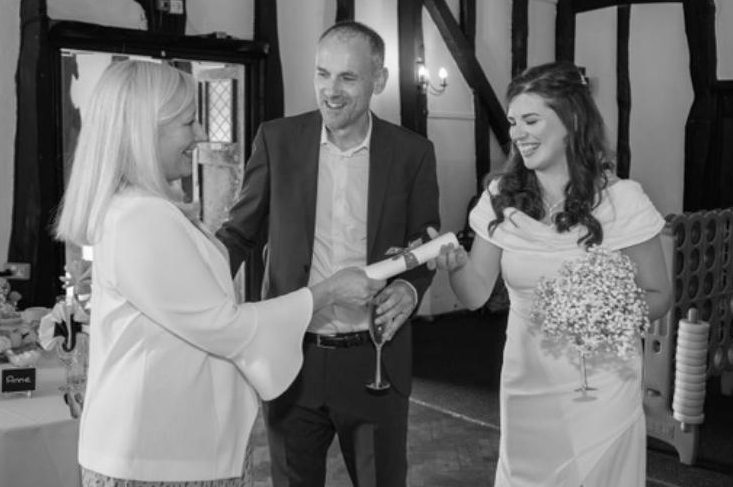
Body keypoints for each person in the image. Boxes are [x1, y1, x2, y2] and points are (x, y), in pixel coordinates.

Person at [54, 60, 384, 487]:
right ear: (143, 130)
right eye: (189, 122)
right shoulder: (141, 218)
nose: (202, 135)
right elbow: (224, 326)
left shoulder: (142, 209)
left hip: (166, 443)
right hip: (158, 453)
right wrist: (328, 291)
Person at [216, 21, 440, 487]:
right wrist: (193, 282)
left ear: (378, 80)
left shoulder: (412, 153)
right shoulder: (277, 141)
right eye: (322, 75)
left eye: (347, 78)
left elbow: (423, 244)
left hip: (373, 362)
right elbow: (239, 234)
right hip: (291, 358)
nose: (330, 92)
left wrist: (409, 287)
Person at [430, 61, 672, 486]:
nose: (518, 133)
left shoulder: (623, 201)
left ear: (572, 120)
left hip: (601, 386)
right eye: (512, 122)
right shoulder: (500, 199)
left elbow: (659, 294)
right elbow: (474, 295)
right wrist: (455, 268)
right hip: (528, 383)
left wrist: (605, 315)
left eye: (531, 119)